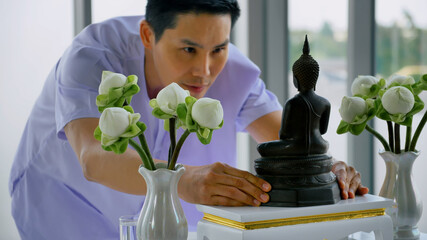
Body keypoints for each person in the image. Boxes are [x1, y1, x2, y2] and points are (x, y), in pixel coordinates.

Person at [9, 0, 369, 239]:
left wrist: (330, 167)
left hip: (163, 218)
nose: (205, 71)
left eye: (219, 48)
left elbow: (288, 137)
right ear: (148, 35)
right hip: (66, 201)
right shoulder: (92, 56)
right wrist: (186, 179)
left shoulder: (234, 70)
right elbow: (93, 157)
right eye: (188, 50)